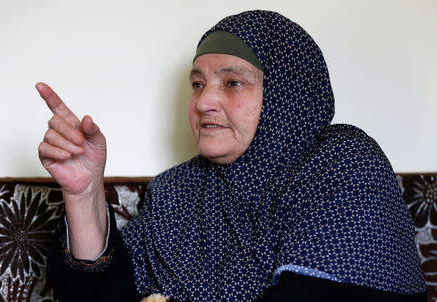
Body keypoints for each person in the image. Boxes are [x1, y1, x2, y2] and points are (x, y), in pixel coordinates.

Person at [37, 10, 426, 301]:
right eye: (197, 83)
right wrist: (84, 194)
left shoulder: (340, 163)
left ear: (284, 95)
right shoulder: (177, 190)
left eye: (233, 82)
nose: (204, 101)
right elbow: (101, 296)